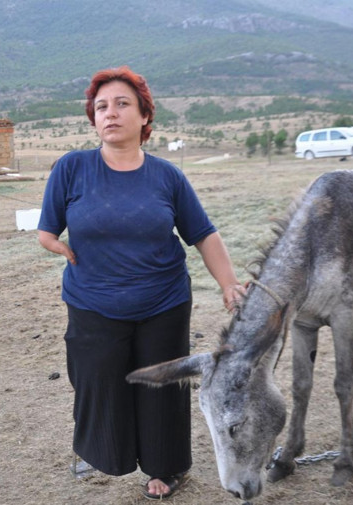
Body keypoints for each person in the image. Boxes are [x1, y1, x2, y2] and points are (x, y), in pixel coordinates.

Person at [37, 66, 245, 500]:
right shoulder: (72, 169)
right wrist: (55, 246)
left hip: (162, 302)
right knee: (98, 382)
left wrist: (228, 284)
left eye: (122, 104)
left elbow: (203, 234)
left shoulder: (167, 176)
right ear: (93, 119)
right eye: (100, 107)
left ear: (145, 116)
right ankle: (106, 453)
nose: (110, 113)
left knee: (162, 388)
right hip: (93, 302)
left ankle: (166, 467)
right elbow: (47, 229)